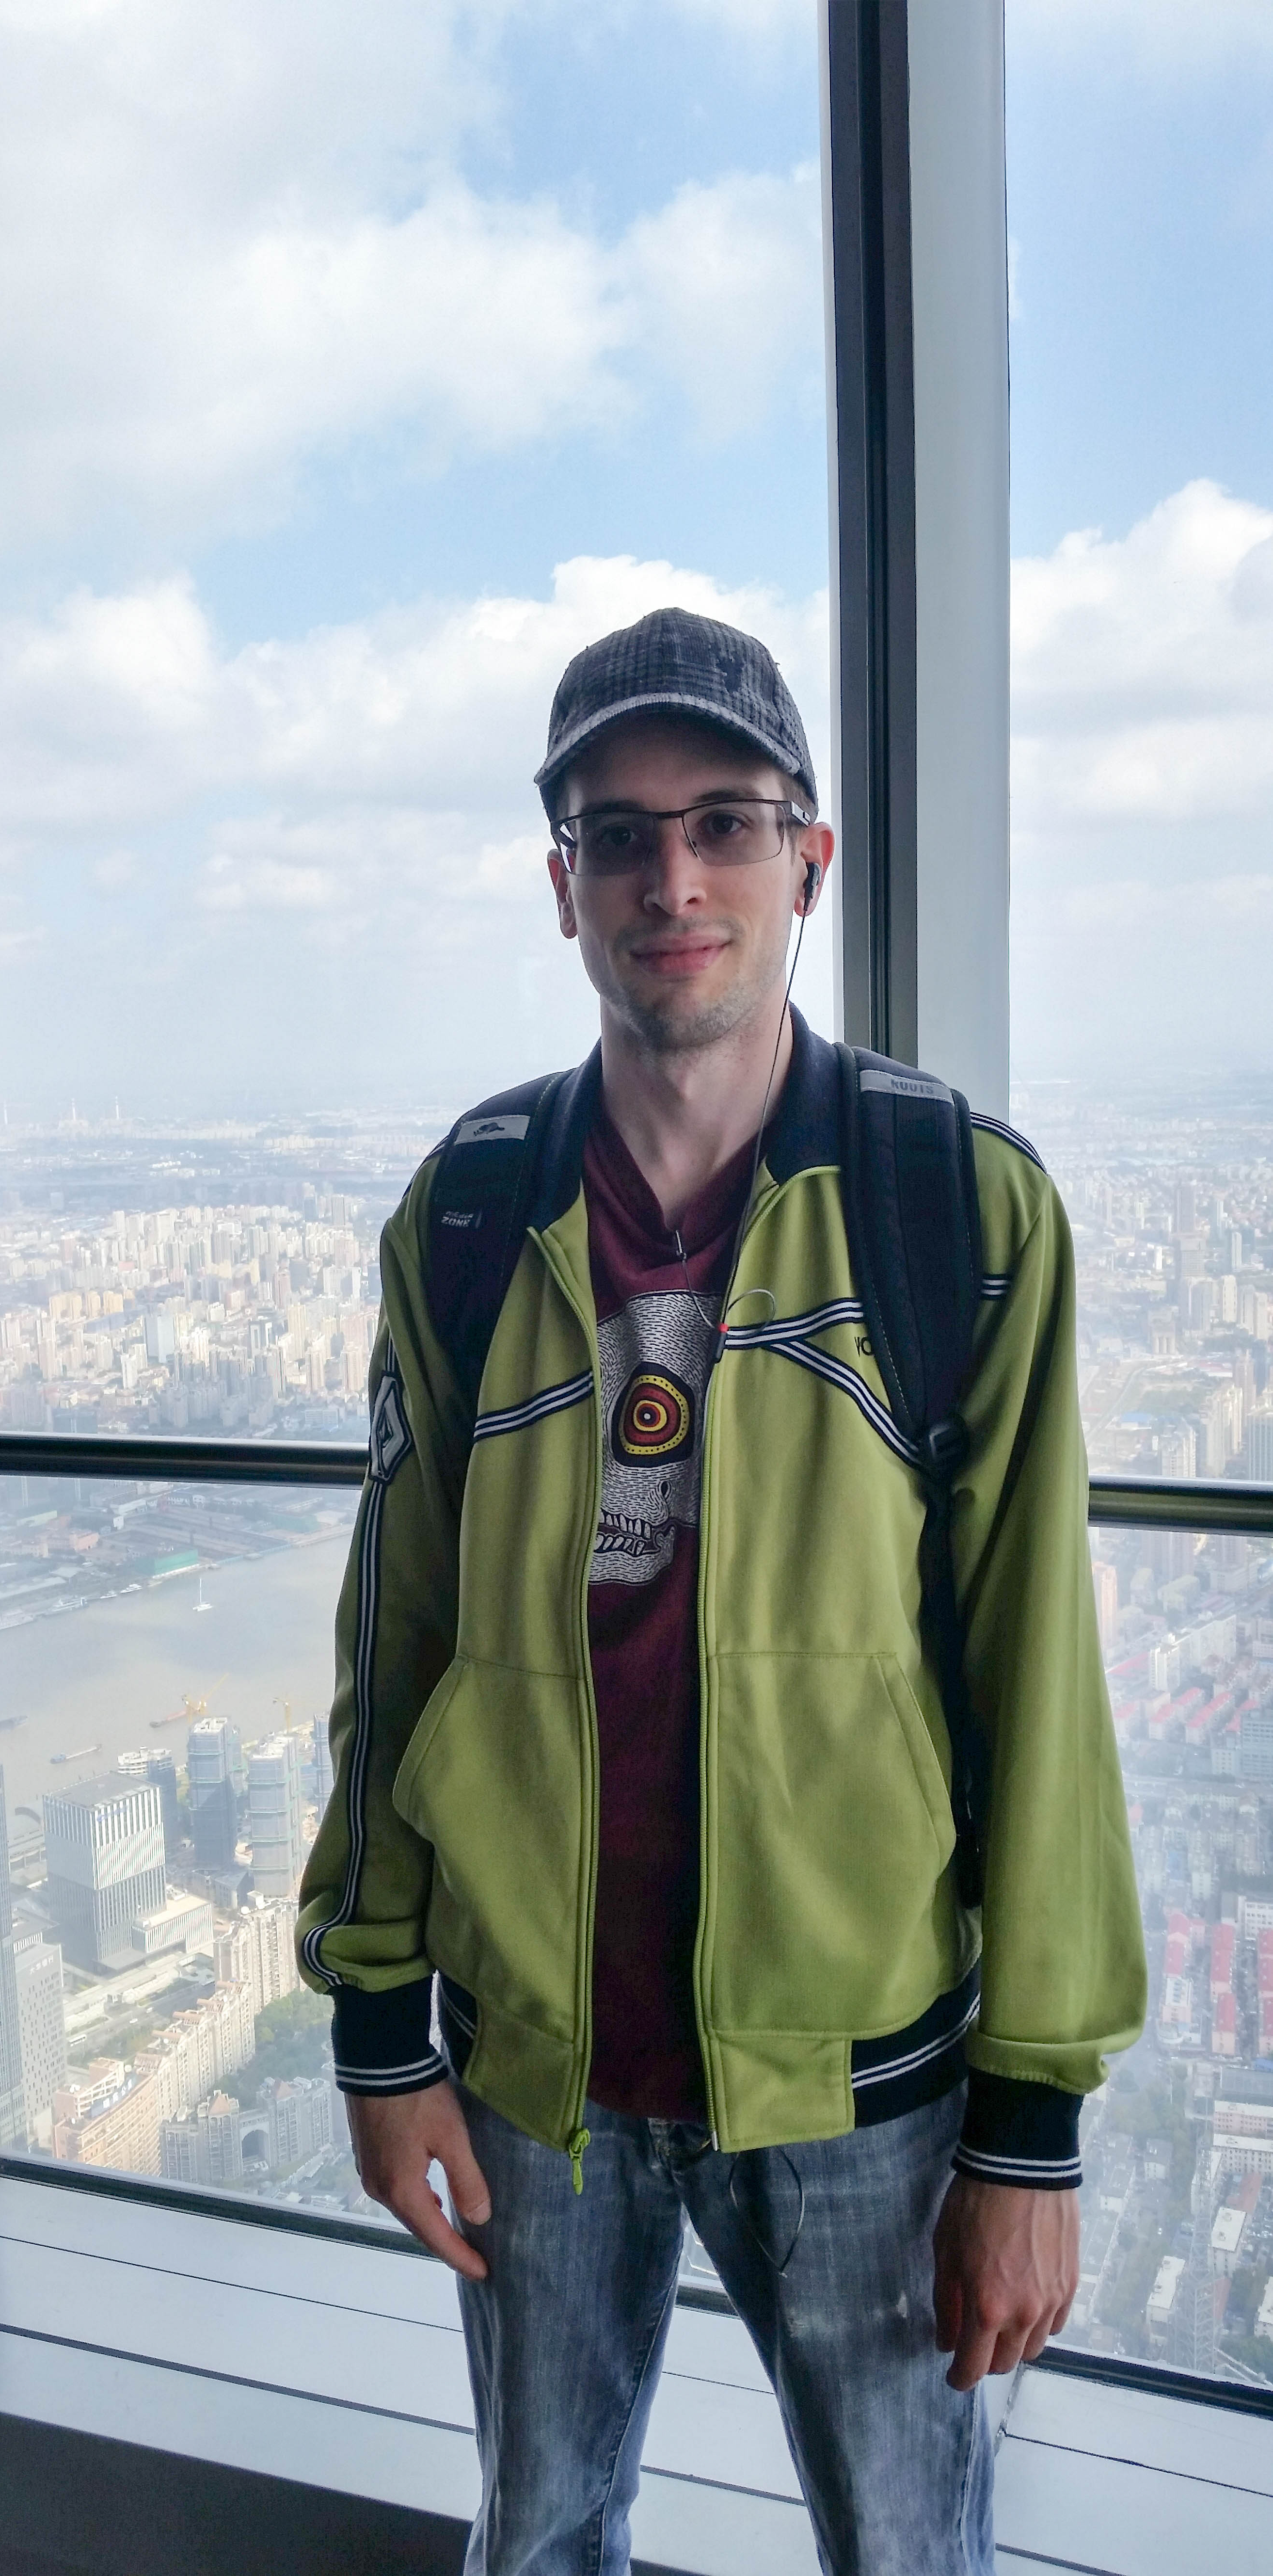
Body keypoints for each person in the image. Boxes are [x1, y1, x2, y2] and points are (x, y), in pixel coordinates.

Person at [296, 607, 1146, 2576]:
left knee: (909, 2551)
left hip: (862, 2076)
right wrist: (378, 2023)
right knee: (539, 2537)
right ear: (562, 886)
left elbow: (1037, 1673)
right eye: (617, 833)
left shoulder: (953, 1202)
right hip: (534, 2065)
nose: (671, 877)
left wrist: (1029, 2127)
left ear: (807, 862)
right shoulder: (472, 1208)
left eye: (726, 824)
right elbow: (397, 1635)